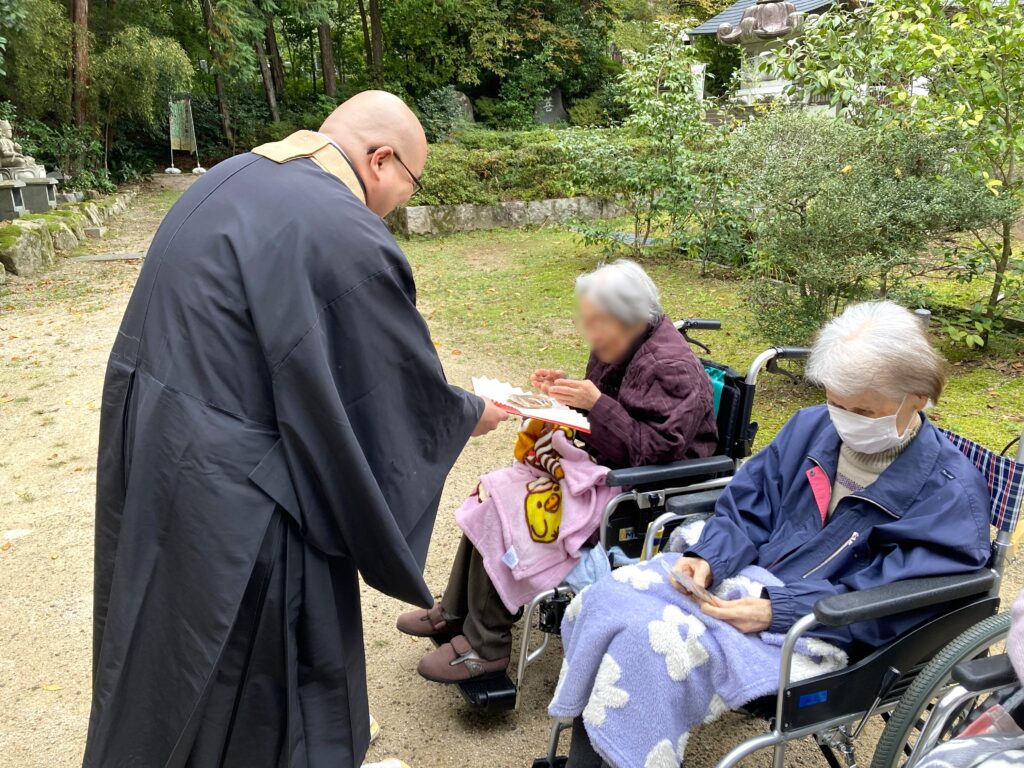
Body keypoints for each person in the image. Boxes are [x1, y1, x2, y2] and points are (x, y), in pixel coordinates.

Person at [84, 91, 508, 768]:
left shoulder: (228, 178)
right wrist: (466, 413)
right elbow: (383, 390)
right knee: (260, 697)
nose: (400, 200)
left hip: (163, 461)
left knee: (164, 664)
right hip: (247, 510)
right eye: (411, 182)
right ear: (381, 159)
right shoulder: (338, 226)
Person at [552, 300, 992, 768]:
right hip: (746, 581)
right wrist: (710, 556)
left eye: (862, 410)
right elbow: (749, 503)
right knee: (608, 599)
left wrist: (776, 611)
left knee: (648, 643)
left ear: (919, 397)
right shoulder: (812, 428)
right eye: (836, 402)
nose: (844, 421)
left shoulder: (950, 495)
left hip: (823, 629)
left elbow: (902, 599)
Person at [396, 260, 718, 683]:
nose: (591, 334)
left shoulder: (670, 367)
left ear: (632, 316)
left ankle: (487, 645)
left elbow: (653, 453)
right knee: (493, 490)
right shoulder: (621, 341)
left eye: (597, 323)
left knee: (520, 512)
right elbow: (607, 407)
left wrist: (594, 404)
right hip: (600, 467)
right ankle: (456, 611)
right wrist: (563, 392)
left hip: (641, 491)